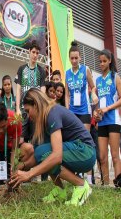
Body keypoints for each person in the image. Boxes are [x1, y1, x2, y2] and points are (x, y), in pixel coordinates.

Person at [10, 88, 96, 206]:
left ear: (36, 104)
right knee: (42, 152)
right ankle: (60, 190)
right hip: (76, 151)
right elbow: (39, 155)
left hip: (86, 152)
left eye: (28, 111)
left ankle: (81, 185)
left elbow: (56, 156)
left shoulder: (52, 113)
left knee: (46, 154)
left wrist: (29, 174)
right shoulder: (45, 117)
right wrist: (22, 166)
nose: (29, 116)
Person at [65, 41, 98, 184]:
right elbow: (66, 94)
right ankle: (76, 178)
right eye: (71, 58)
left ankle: (89, 179)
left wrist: (94, 95)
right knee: (73, 143)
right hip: (72, 113)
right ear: (69, 58)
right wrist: (67, 110)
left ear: (80, 57)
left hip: (85, 112)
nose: (74, 61)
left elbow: (93, 87)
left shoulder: (86, 70)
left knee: (84, 144)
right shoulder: (67, 73)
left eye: (76, 58)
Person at [94, 49, 121, 186]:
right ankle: (105, 185)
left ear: (110, 61)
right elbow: (97, 101)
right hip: (102, 121)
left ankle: (118, 184)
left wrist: (108, 108)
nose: (102, 63)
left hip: (114, 120)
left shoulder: (115, 77)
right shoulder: (98, 80)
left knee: (115, 156)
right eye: (100, 61)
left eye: (104, 61)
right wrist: (96, 113)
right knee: (103, 157)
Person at [14, 40, 46, 145]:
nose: (35, 55)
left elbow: (43, 91)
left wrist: (41, 108)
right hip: (23, 110)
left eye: (37, 53)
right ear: (29, 51)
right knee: (21, 140)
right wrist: (18, 108)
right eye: (33, 52)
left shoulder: (41, 71)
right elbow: (18, 89)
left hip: (36, 110)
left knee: (35, 140)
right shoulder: (21, 69)